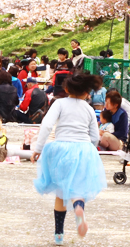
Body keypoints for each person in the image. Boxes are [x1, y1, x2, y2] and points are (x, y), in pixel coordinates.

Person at [32, 72, 107, 245]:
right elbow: (95, 136)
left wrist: (38, 148)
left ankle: (59, 234)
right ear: (87, 92)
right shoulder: (89, 109)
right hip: (83, 149)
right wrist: (88, 148)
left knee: (60, 191)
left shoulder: (59, 103)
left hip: (61, 149)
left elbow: (47, 125)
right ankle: (79, 207)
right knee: (77, 188)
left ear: (66, 89)